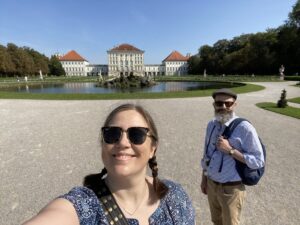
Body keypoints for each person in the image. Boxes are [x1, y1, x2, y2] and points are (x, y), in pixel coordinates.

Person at [23, 103, 195, 225]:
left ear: (153, 149)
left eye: (136, 134)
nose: (123, 143)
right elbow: (59, 215)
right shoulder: (85, 204)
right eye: (112, 134)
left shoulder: (175, 196)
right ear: (103, 143)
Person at [200, 88, 264, 225]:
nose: (223, 107)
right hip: (212, 185)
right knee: (216, 221)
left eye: (228, 104)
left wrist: (230, 150)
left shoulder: (245, 128)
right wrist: (204, 179)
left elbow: (259, 161)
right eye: (219, 103)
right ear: (214, 105)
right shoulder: (211, 125)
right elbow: (206, 155)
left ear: (235, 105)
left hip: (231, 190)